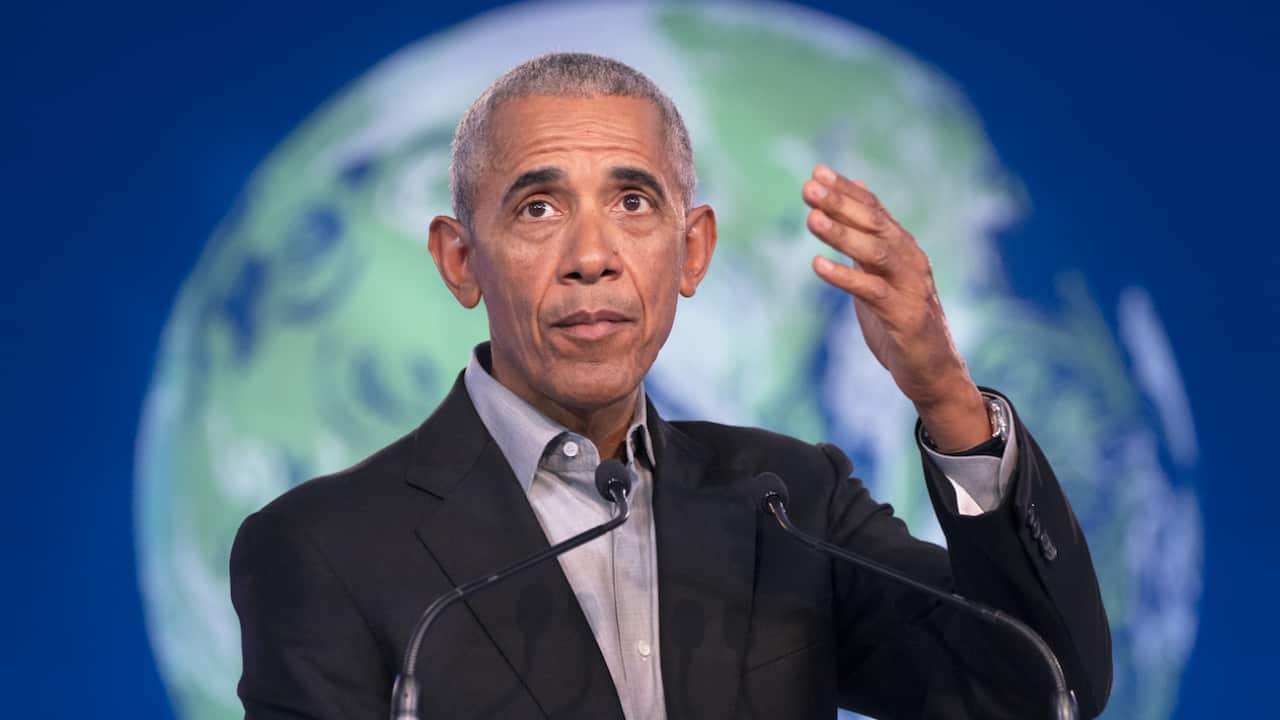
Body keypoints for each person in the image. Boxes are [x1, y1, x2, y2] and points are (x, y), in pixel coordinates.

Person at [230, 53, 1111, 719]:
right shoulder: (319, 551)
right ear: (461, 261)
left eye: (634, 204)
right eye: (538, 208)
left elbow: (1040, 686)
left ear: (691, 252)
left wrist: (947, 400)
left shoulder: (788, 502)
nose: (591, 258)